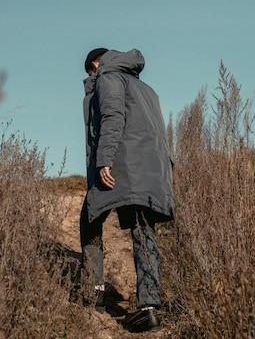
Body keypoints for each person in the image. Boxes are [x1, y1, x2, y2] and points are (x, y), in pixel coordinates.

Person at [78, 47, 175, 333]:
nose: (91, 79)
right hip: (150, 170)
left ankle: (93, 297)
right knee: (143, 230)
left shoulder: (108, 77)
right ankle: (149, 308)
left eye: (90, 74)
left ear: (95, 64)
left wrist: (104, 160)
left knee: (90, 219)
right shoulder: (145, 88)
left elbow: (112, 116)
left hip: (122, 165)